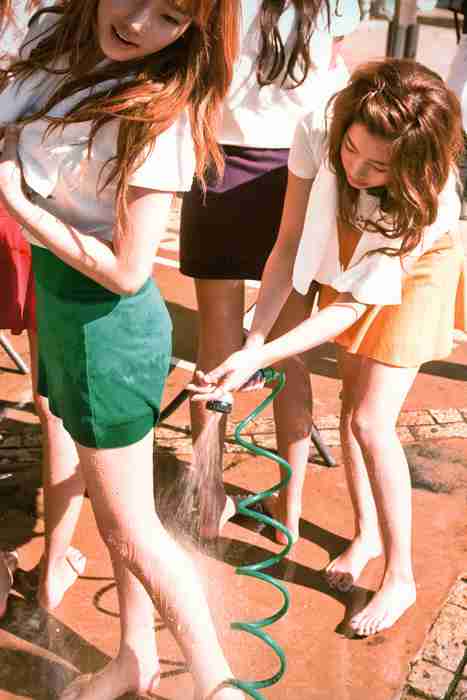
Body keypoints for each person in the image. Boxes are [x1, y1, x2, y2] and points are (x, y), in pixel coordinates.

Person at [0, 2, 244, 699]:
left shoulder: (160, 114)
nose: (138, 24)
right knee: (116, 520)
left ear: (193, 31)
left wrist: (19, 203)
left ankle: (216, 683)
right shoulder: (53, 37)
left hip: (108, 329)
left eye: (169, 16)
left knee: (133, 529)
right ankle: (135, 657)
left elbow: (130, 271)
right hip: (66, 309)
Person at [189, 58, 467, 636]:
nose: (357, 168)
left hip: (414, 262)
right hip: (352, 228)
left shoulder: (431, 203)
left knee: (370, 419)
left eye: (378, 164)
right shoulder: (319, 125)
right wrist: (255, 339)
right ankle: (366, 535)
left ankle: (401, 577)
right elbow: (288, 244)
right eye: (352, 150)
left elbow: (349, 308)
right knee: (350, 404)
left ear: (411, 164)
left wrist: (259, 357)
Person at [179, 0, 361, 543]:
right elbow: (337, 71)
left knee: (215, 341)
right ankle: (290, 505)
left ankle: (208, 496)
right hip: (297, 168)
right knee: (288, 350)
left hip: (221, 164)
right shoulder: (328, 5)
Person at [0, 0, 86, 619]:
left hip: (33, 214)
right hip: (46, 217)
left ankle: (46, 564)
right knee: (53, 401)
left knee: (53, 401)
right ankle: (53, 566)